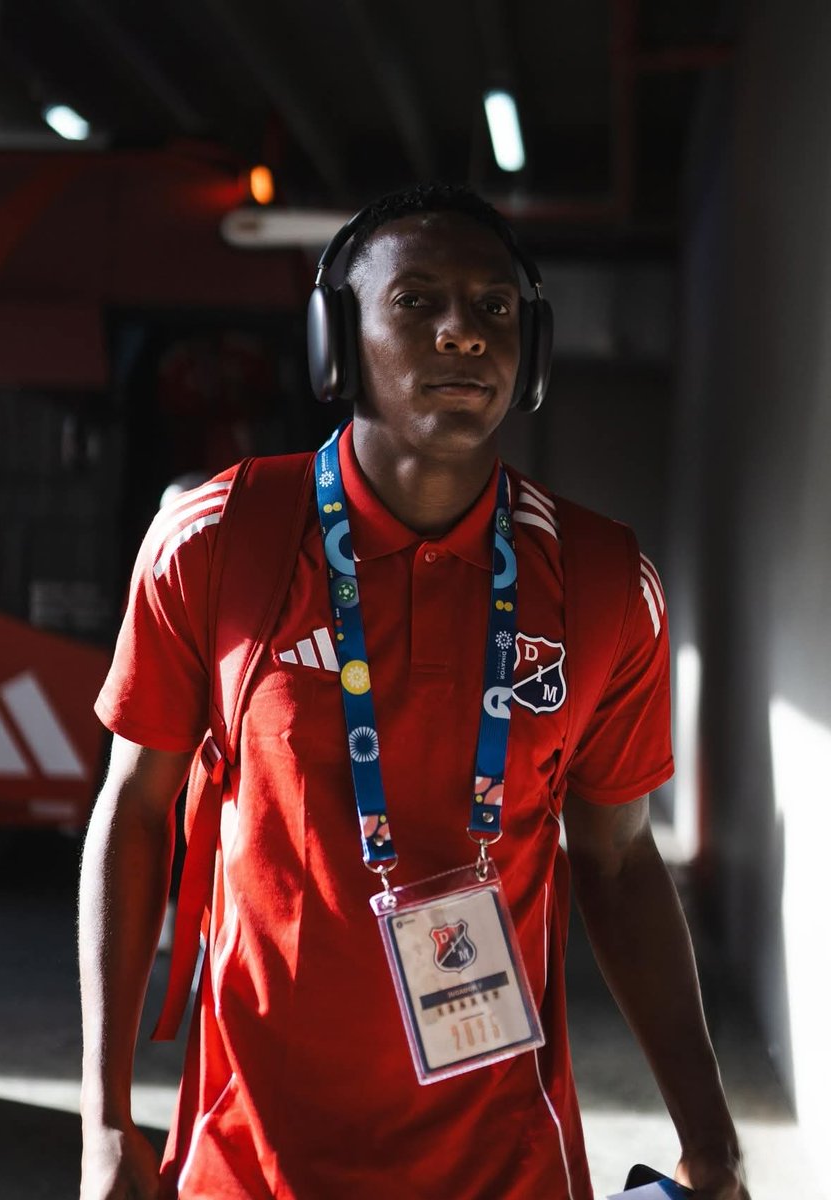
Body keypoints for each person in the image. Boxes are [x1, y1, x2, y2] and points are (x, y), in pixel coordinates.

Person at [79, 183, 749, 1200]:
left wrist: (713, 1140)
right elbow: (134, 811)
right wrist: (103, 1122)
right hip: (252, 1157)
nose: (465, 335)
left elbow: (617, 864)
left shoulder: (610, 583)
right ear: (336, 342)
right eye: (419, 301)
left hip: (506, 1162)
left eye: (494, 309)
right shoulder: (217, 543)